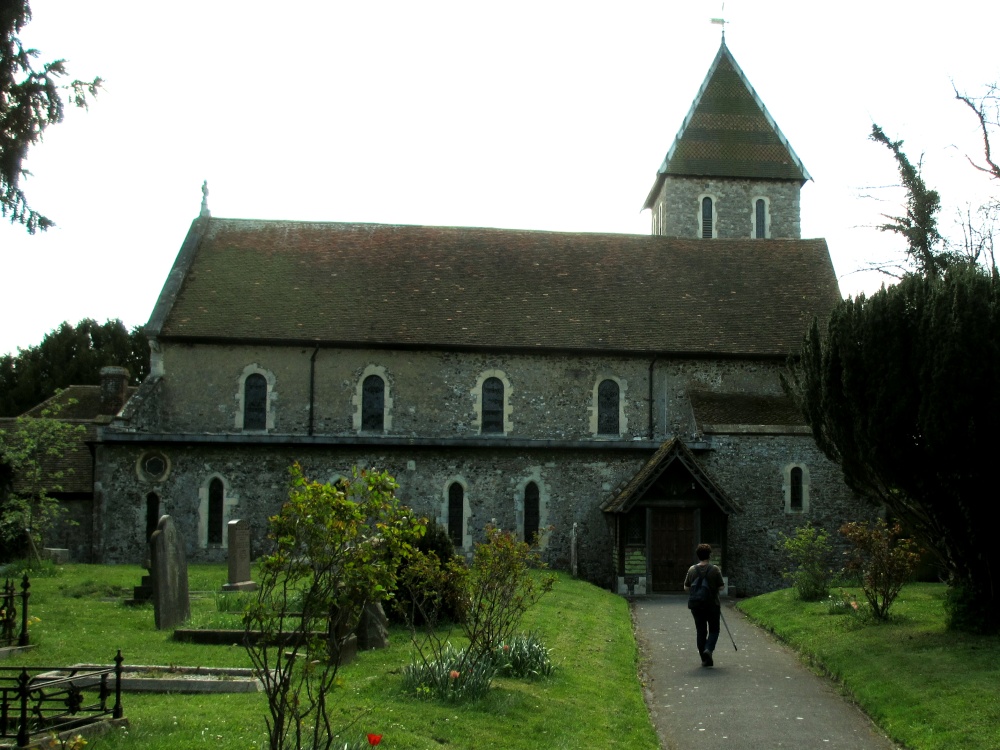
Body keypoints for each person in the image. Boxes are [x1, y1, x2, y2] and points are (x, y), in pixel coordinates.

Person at [683, 543, 726, 667]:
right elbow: (722, 586)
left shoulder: (692, 570)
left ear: (698, 555)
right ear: (709, 555)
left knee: (701, 631)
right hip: (712, 604)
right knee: (714, 630)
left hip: (696, 605)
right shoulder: (715, 569)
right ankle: (709, 649)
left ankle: (704, 658)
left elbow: (686, 587)